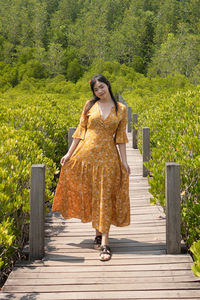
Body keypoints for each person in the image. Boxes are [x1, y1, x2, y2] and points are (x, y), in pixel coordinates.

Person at [52, 74, 131, 261]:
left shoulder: (121, 109)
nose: (100, 91)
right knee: (93, 195)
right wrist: (69, 154)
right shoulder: (89, 105)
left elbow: (120, 138)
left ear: (108, 86)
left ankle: (105, 242)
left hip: (108, 159)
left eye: (102, 87)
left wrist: (124, 161)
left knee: (105, 196)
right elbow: (80, 132)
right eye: (96, 89)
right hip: (86, 156)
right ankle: (97, 231)